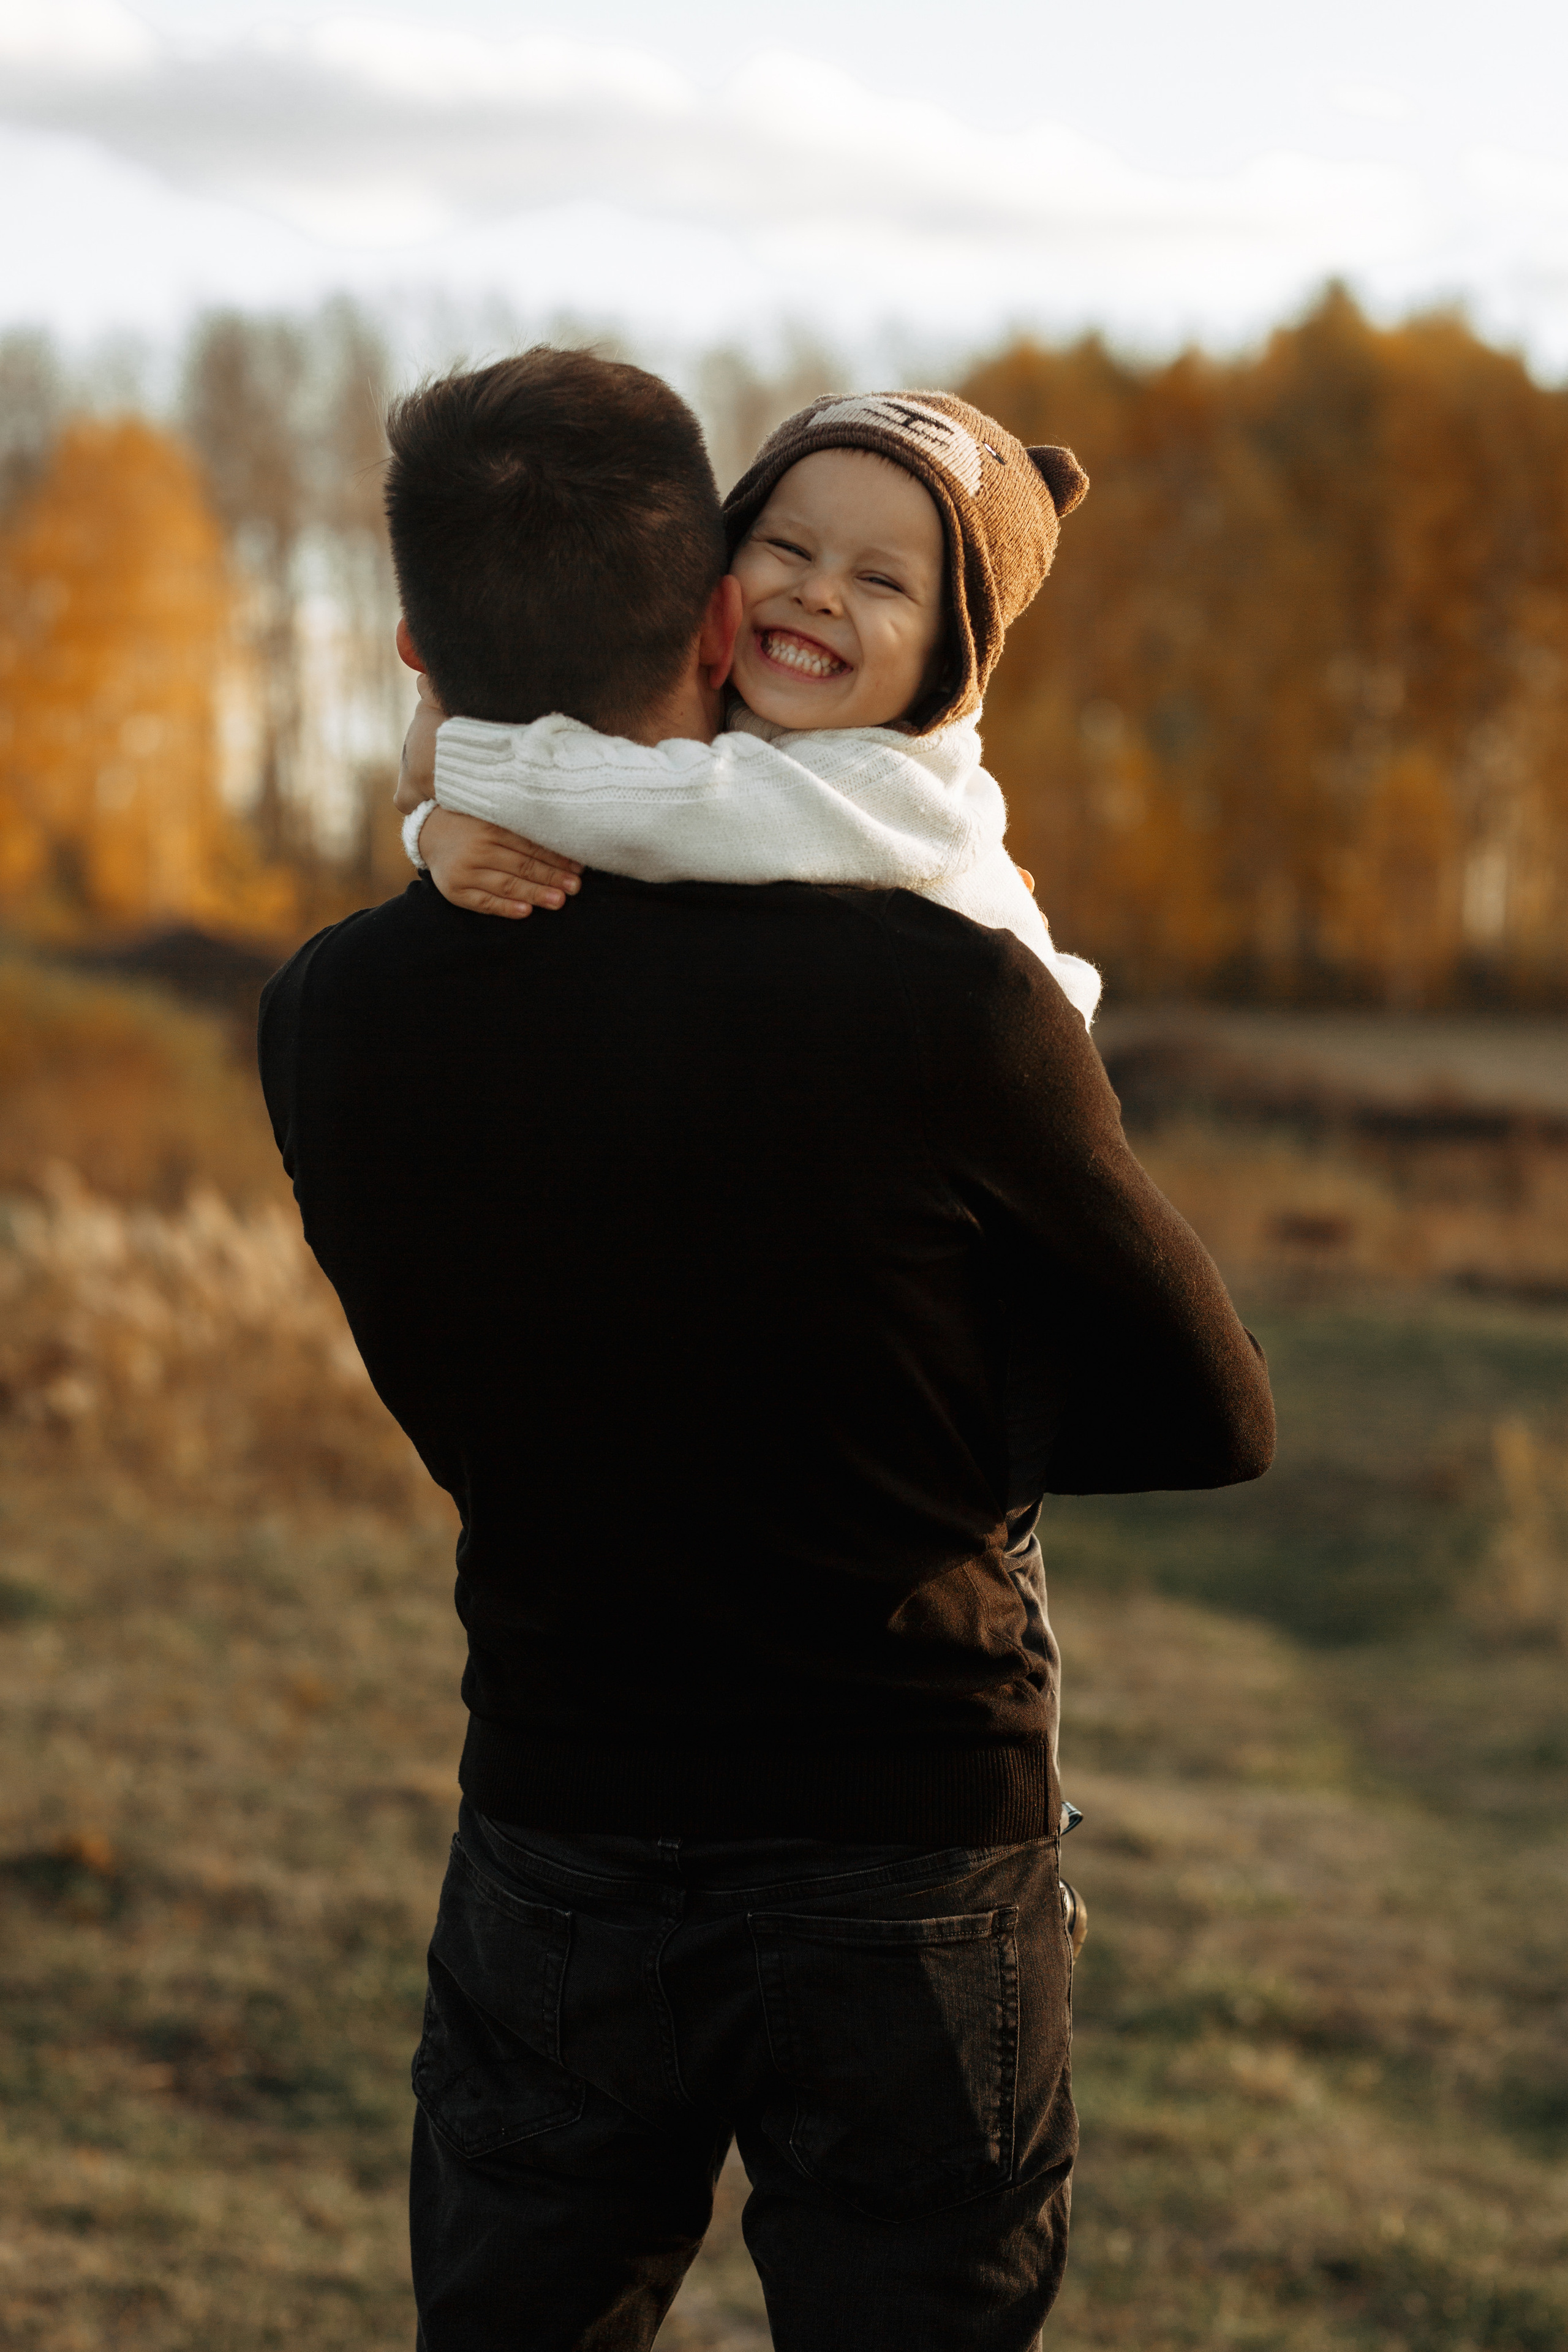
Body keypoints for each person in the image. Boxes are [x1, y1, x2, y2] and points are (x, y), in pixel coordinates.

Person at [257, 345, 1274, 2352]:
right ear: (720, 613)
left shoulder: (333, 1011)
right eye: (791, 554)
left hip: (557, 1808)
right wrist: (928, 1436)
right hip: (908, 1825)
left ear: (411, 649)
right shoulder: (954, 996)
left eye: (879, 577)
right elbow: (1213, 1412)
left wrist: (438, 823)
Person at [394, 388, 1101, 1022]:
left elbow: (671, 810)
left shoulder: (890, 781)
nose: (817, 593)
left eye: (881, 581)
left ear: (951, 660)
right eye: (788, 546)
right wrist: (436, 834)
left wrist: (457, 761)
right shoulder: (758, 715)